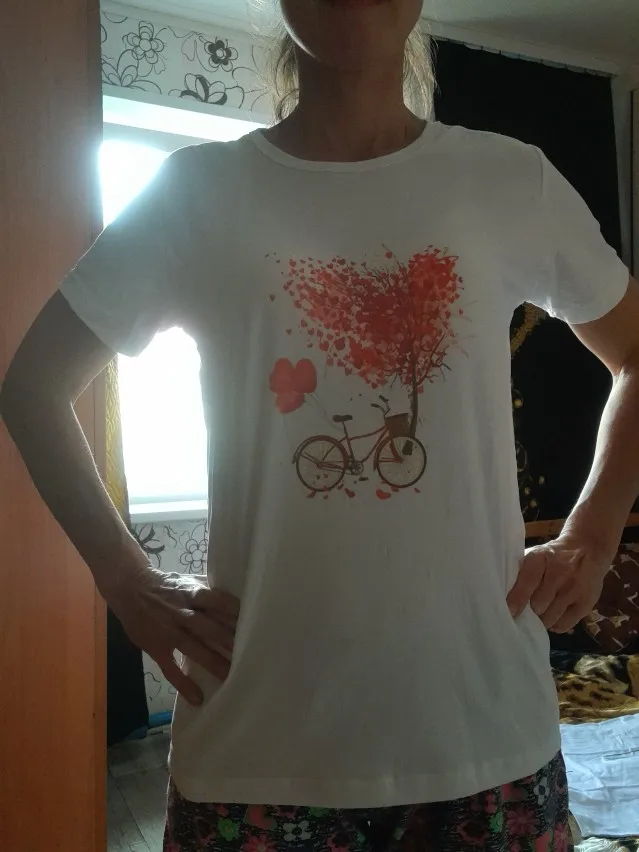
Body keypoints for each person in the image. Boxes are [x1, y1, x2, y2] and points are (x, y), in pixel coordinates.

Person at [2, 0, 639, 849]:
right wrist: (124, 578)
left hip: (485, 740)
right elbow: (33, 387)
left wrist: (592, 534)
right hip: (254, 756)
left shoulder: (508, 178)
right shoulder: (196, 191)